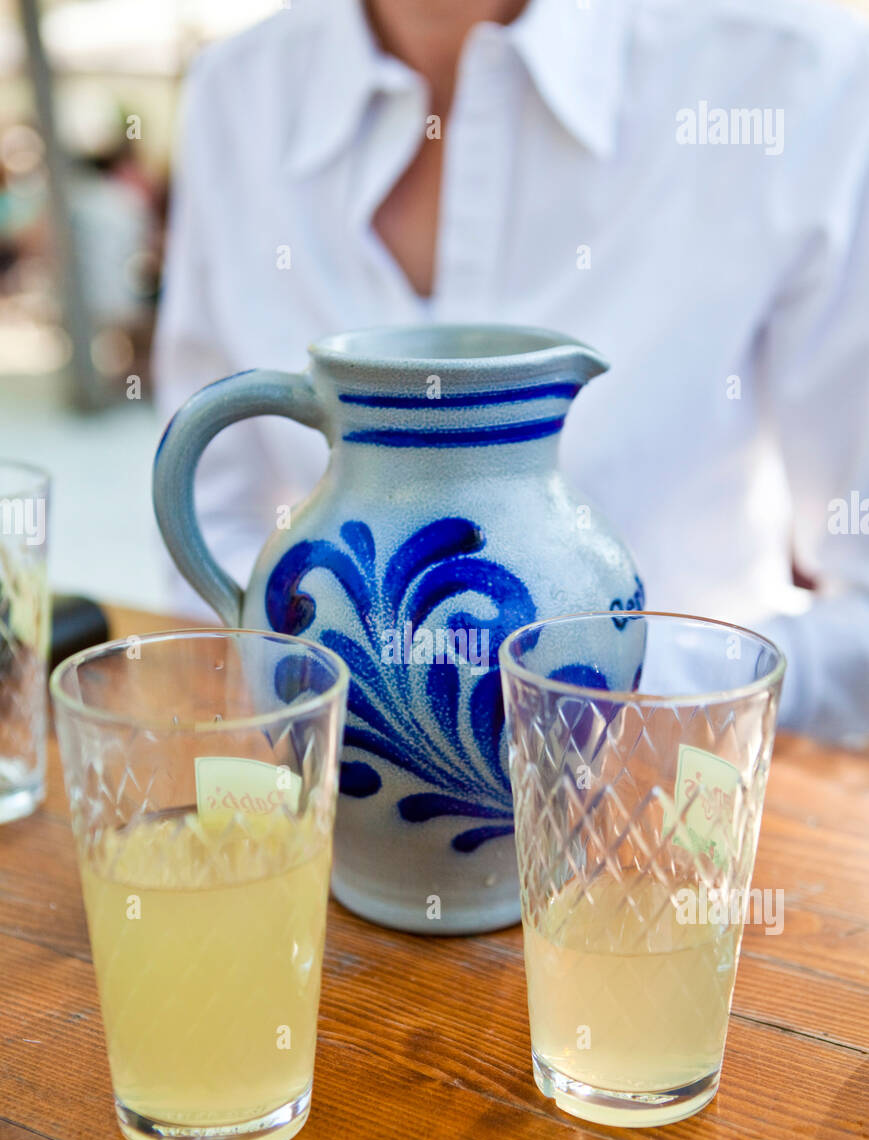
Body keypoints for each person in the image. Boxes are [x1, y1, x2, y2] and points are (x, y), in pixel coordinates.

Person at [153, 0, 869, 742]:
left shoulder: (799, 79)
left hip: (677, 813)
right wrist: (308, 682)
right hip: (333, 816)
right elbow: (218, 512)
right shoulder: (234, 96)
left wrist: (619, 680)